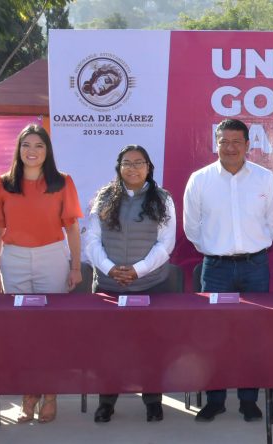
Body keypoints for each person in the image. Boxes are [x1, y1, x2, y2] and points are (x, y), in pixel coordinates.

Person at [183, 118, 273, 423]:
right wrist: (215, 248)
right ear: (216, 143)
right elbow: (192, 227)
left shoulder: (264, 178)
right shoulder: (200, 180)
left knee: (253, 335)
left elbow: (272, 222)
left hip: (255, 266)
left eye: (237, 141)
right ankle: (215, 400)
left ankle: (248, 400)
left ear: (248, 145)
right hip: (216, 269)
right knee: (214, 336)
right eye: (224, 141)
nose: (230, 147)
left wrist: (253, 246)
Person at [0, 124, 84, 424]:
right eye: (26, 145)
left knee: (50, 329)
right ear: (18, 149)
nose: (32, 151)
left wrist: (76, 266)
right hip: (13, 259)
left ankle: (50, 394)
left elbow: (72, 228)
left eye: (39, 145)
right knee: (22, 331)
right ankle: (29, 395)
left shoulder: (62, 182)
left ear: (47, 151)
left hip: (52, 257)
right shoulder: (4, 183)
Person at [84, 145, 176, 423]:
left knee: (151, 347)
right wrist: (111, 269)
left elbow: (165, 244)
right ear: (118, 167)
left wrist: (137, 270)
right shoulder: (103, 198)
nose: (133, 168)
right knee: (109, 348)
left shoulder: (162, 199)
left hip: (150, 285)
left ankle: (153, 401)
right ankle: (107, 402)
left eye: (139, 163)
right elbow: (91, 241)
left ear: (149, 167)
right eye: (127, 163)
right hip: (110, 287)